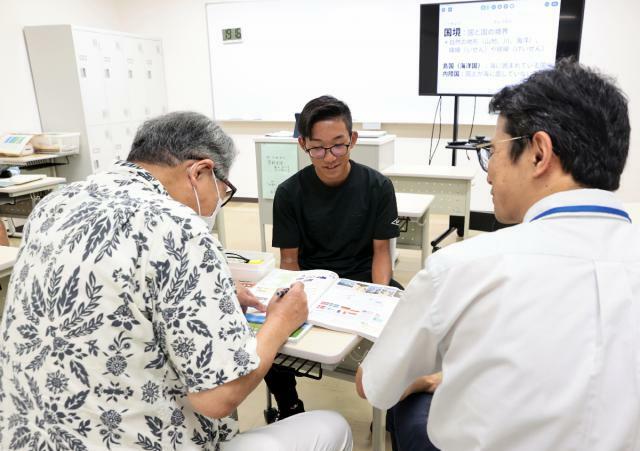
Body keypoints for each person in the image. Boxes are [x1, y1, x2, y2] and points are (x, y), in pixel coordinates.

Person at [0, 111, 353, 451]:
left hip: (29, 434)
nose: (218, 203)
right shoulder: (180, 228)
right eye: (223, 190)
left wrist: (208, 290)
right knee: (332, 427)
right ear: (200, 171)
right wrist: (279, 322)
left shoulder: (56, 203)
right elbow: (218, 398)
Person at [356, 59, 640, 450]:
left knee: (414, 401)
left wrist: (434, 378)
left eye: (493, 151)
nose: (488, 172)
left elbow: (375, 386)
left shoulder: (463, 266)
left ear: (539, 153)